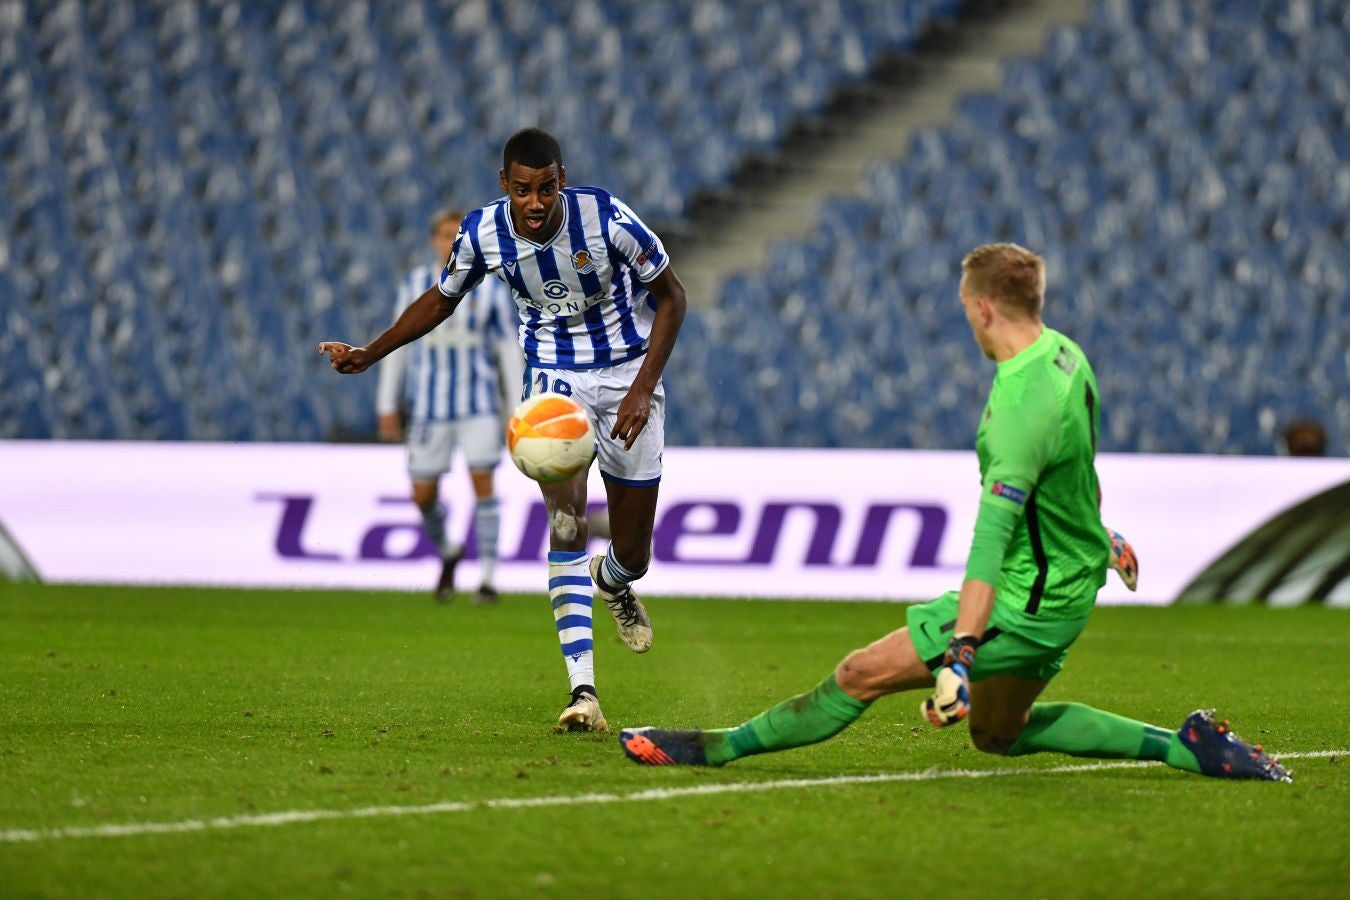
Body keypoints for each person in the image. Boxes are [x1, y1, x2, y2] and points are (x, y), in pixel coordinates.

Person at [619, 243, 1290, 783]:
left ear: (985, 308)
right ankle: (1188, 747)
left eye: (968, 309)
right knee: (999, 735)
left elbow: (991, 543)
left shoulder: (1019, 411)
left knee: (860, 673)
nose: (968, 319)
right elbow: (1077, 474)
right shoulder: (1067, 358)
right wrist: (1101, 536)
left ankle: (716, 749)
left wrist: (961, 654)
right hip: (1066, 584)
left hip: (1024, 601)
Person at [320, 128, 687, 734]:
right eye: (523, 190)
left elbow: (671, 296)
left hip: (627, 376)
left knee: (634, 554)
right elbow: (440, 300)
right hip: (551, 380)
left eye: (546, 188)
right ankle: (584, 693)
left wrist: (643, 387)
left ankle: (614, 581)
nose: (535, 202)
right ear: (505, 187)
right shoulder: (482, 232)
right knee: (565, 522)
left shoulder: (608, 217)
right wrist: (372, 353)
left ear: (561, 180)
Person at [374, 209, 523, 604]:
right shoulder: (414, 285)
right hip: (428, 408)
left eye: (458, 235)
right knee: (422, 495)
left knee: (484, 485)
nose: (451, 241)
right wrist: (387, 403)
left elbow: (509, 350)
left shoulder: (491, 288)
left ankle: (489, 578)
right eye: (444, 235)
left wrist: (517, 407)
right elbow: (396, 344)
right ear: (434, 241)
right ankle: (449, 550)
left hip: (479, 407)